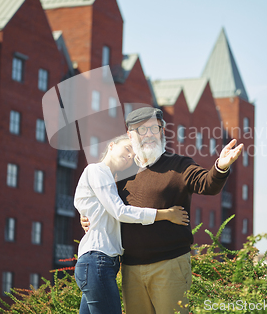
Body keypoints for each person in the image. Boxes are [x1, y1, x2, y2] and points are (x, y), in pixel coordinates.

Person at [81, 107, 243, 314]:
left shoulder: (180, 165)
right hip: (130, 268)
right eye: (142, 130)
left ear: (162, 131)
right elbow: (107, 206)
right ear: (130, 135)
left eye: (154, 128)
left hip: (170, 265)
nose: (149, 134)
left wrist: (221, 166)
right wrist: (85, 217)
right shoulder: (122, 173)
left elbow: (207, 184)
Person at [73, 134, 189, 314]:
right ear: (111, 145)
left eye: (132, 155)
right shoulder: (97, 170)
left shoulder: (113, 182)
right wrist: (165, 214)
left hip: (101, 264)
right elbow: (120, 212)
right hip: (97, 261)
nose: (129, 156)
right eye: (127, 148)